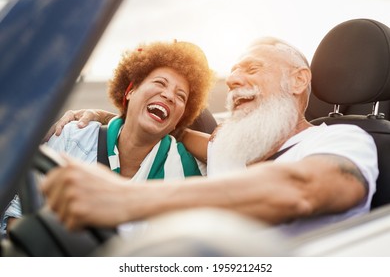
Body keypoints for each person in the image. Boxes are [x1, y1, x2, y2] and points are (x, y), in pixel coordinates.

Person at [41, 37, 378, 237]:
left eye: (252, 69)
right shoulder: (226, 149)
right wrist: (116, 117)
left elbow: (298, 190)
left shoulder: (342, 142)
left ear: (298, 81)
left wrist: (124, 200)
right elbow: (174, 129)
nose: (232, 79)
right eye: (233, 72)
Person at [0, 40, 215, 236]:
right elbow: (18, 217)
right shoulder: (73, 136)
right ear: (130, 91)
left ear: (180, 118)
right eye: (160, 83)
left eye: (181, 96)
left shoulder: (190, 172)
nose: (169, 95)